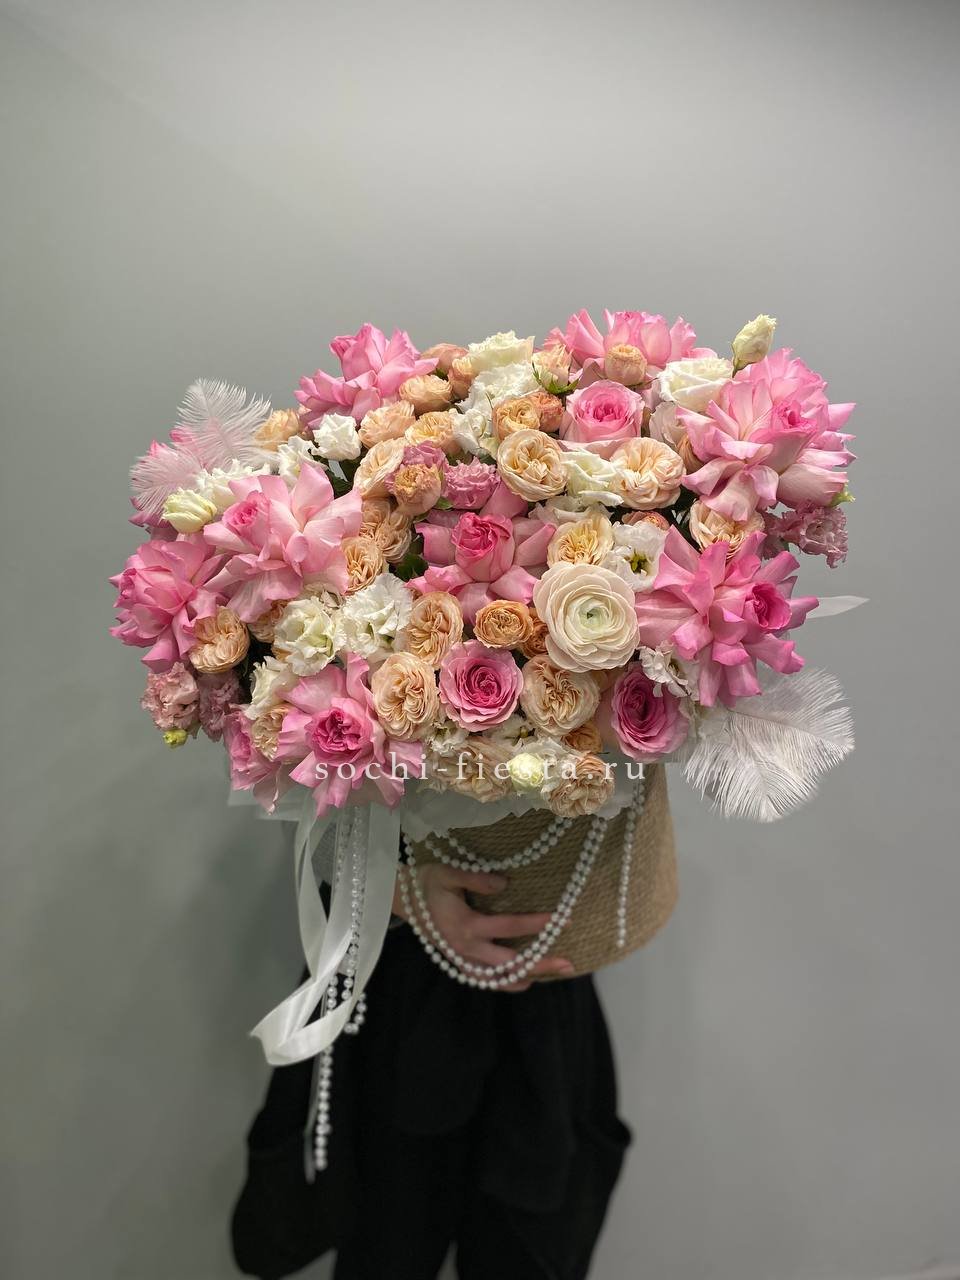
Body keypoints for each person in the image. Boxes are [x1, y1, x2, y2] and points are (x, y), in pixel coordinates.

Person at [231, 855, 631, 1280]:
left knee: (530, 1247)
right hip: (400, 1002)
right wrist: (402, 892)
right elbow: (312, 828)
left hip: (542, 1016)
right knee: (386, 1240)